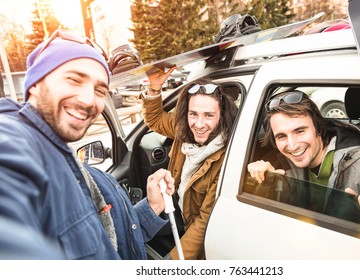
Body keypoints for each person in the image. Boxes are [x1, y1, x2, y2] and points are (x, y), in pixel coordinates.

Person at [0, 29, 175, 259]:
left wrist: (152, 206)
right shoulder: (14, 142)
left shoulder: (81, 169)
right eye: (74, 79)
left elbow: (112, 243)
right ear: (35, 83)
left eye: (100, 90)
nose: (88, 99)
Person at [247, 89, 360, 220]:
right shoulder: (280, 163)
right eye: (281, 136)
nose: (292, 145)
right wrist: (265, 182)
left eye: (300, 131)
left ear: (319, 128)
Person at [141, 68, 238, 259]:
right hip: (176, 205)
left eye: (209, 115)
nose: (199, 124)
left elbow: (203, 223)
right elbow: (155, 119)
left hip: (193, 223)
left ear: (222, 116)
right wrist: (154, 88)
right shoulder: (183, 129)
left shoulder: (227, 157)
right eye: (193, 114)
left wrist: (174, 261)